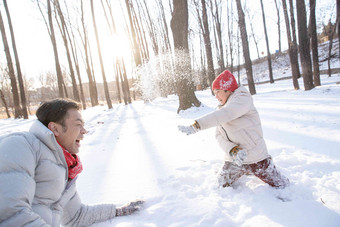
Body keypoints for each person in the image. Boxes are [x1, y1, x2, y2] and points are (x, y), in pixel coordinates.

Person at [0, 99, 143, 227]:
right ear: (55, 128)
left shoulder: (64, 167)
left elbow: (76, 217)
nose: (84, 131)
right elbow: (10, 213)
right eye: (78, 124)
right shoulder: (20, 145)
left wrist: (117, 211)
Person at [178, 70, 289, 189]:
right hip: (236, 159)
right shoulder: (221, 110)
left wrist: (198, 125)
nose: (216, 96)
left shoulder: (242, 99)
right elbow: (219, 136)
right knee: (222, 183)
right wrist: (233, 150)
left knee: (281, 185)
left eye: (217, 92)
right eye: (214, 93)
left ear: (227, 89)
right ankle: (243, 168)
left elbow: (228, 113)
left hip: (256, 157)